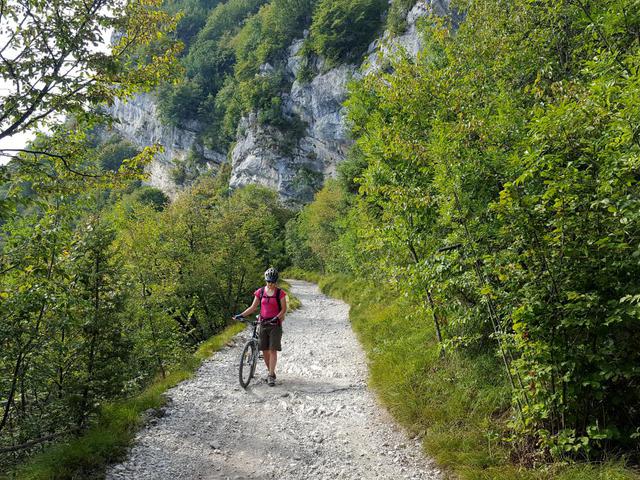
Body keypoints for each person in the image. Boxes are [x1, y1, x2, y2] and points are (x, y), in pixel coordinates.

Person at [233, 267, 287, 386]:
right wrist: (240, 315)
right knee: (265, 350)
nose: (270, 284)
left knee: (272, 350)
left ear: (276, 281)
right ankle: (271, 372)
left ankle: (271, 375)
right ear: (266, 280)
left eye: (273, 282)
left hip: (274, 325)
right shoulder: (260, 292)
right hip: (262, 323)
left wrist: (276, 317)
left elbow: (284, 309)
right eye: (268, 281)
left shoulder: (280, 293)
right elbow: (252, 307)